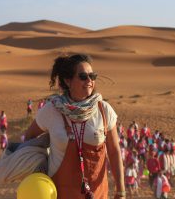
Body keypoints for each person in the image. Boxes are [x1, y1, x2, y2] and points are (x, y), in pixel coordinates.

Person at [24, 54, 125, 199]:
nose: (89, 81)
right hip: (59, 193)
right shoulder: (52, 110)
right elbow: (30, 137)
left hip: (97, 194)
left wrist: (121, 191)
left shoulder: (103, 110)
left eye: (92, 76)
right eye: (83, 76)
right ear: (68, 80)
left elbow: (114, 152)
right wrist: (39, 166)